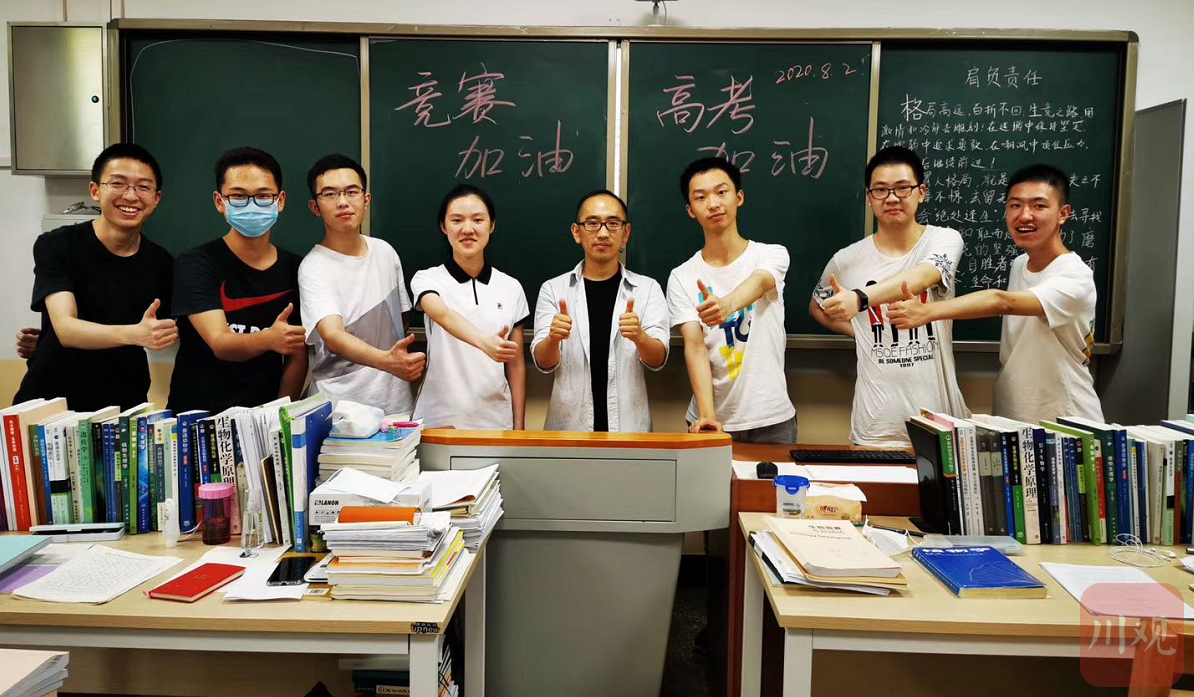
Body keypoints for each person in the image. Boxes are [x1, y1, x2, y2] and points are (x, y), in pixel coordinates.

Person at [888, 163, 1103, 423]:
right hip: (1014, 415)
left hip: (1065, 421)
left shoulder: (1074, 275)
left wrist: (926, 312)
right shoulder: (1020, 264)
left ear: (1063, 214)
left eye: (1039, 206)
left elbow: (1002, 302)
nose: (1025, 215)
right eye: (1015, 205)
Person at [810, 145, 968, 446]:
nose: (892, 198)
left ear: (921, 192)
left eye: (902, 188)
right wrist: (861, 333)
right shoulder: (846, 260)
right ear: (869, 199)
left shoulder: (944, 240)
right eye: (881, 190)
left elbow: (922, 276)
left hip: (940, 422)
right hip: (875, 427)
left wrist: (860, 298)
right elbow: (818, 308)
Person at [13, 143, 175, 411]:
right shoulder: (57, 244)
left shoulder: (162, 262)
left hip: (123, 406)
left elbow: (171, 328)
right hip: (52, 403)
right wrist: (136, 334)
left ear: (156, 198)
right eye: (118, 183)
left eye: (143, 187)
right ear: (95, 190)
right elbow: (66, 329)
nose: (131, 196)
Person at [167, 147, 307, 414]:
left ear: (280, 200)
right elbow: (221, 343)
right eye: (239, 196)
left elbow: (296, 356)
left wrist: (279, 416)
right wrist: (269, 338)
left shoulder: (297, 268)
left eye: (263, 195)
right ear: (220, 202)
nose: (252, 205)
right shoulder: (196, 263)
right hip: (198, 419)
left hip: (262, 418)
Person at [666, 157, 796, 443]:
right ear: (690, 210)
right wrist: (708, 416)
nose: (713, 204)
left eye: (721, 192)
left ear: (739, 197)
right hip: (710, 417)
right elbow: (695, 347)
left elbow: (760, 282)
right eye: (701, 197)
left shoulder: (771, 254)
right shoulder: (681, 276)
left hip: (771, 417)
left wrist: (726, 305)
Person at [297, 153, 425, 415]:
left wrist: (393, 363)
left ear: (366, 199)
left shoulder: (385, 252)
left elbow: (402, 320)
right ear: (315, 207)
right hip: (339, 411)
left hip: (395, 407)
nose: (343, 202)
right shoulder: (313, 267)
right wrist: (387, 362)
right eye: (330, 194)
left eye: (352, 191)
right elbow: (333, 336)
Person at [531, 189, 669, 432]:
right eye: (592, 223)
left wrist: (640, 337)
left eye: (613, 223)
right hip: (569, 432)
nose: (603, 233)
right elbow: (543, 362)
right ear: (577, 232)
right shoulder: (554, 289)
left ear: (626, 233)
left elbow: (658, 359)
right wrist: (553, 339)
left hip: (629, 431)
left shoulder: (647, 289)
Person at [410, 184, 528, 430]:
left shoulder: (511, 287)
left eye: (477, 220)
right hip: (440, 420)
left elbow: (516, 364)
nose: (467, 229)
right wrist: (484, 342)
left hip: (496, 422)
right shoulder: (427, 279)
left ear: (491, 225)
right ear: (444, 227)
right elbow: (442, 314)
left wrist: (519, 427)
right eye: (457, 220)